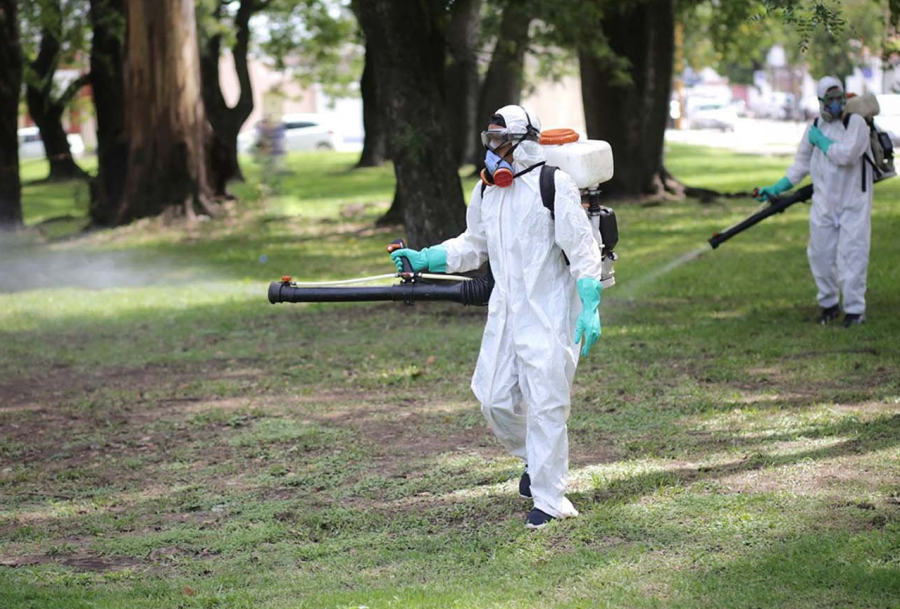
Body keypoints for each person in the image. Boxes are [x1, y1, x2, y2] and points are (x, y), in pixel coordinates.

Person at [390, 106, 605, 529]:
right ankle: (534, 460)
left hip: (550, 312)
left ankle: (550, 499)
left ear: (523, 143)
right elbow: (474, 243)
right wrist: (427, 256)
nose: (492, 151)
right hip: (506, 310)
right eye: (488, 140)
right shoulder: (488, 190)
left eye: (498, 141)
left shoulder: (552, 185)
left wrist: (591, 305)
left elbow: (583, 252)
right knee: (492, 399)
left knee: (546, 405)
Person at [755, 76, 873, 327]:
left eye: (838, 98)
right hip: (824, 204)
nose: (834, 104)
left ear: (844, 98)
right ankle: (829, 305)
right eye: (829, 99)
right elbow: (799, 167)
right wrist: (776, 188)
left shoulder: (856, 124)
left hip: (854, 203)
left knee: (852, 256)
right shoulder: (814, 128)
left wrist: (822, 141)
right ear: (820, 101)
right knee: (819, 255)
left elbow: (846, 156)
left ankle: (854, 310)